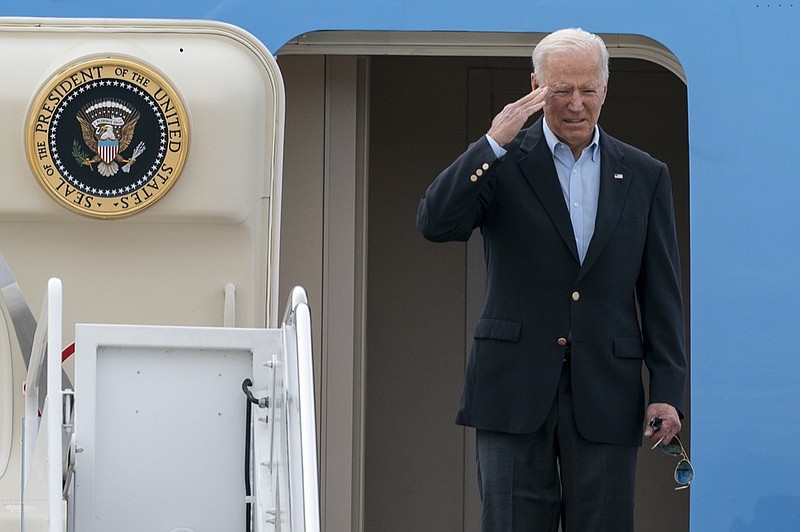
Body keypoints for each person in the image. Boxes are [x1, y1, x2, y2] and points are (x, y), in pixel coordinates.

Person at [416, 28, 687, 531]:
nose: (577, 104)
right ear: (536, 84)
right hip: (512, 391)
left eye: (588, 90)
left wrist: (667, 388)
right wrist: (492, 142)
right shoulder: (500, 162)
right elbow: (434, 222)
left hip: (607, 390)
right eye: (562, 90)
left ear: (606, 88)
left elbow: (660, 294)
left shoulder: (645, 174)